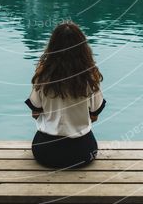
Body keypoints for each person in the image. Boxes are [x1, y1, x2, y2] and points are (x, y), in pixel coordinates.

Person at [25, 21, 106, 169]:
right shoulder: (90, 77)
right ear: (83, 47)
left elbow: (35, 112)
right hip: (82, 152)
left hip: (46, 151)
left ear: (52, 47)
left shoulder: (43, 76)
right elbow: (95, 115)